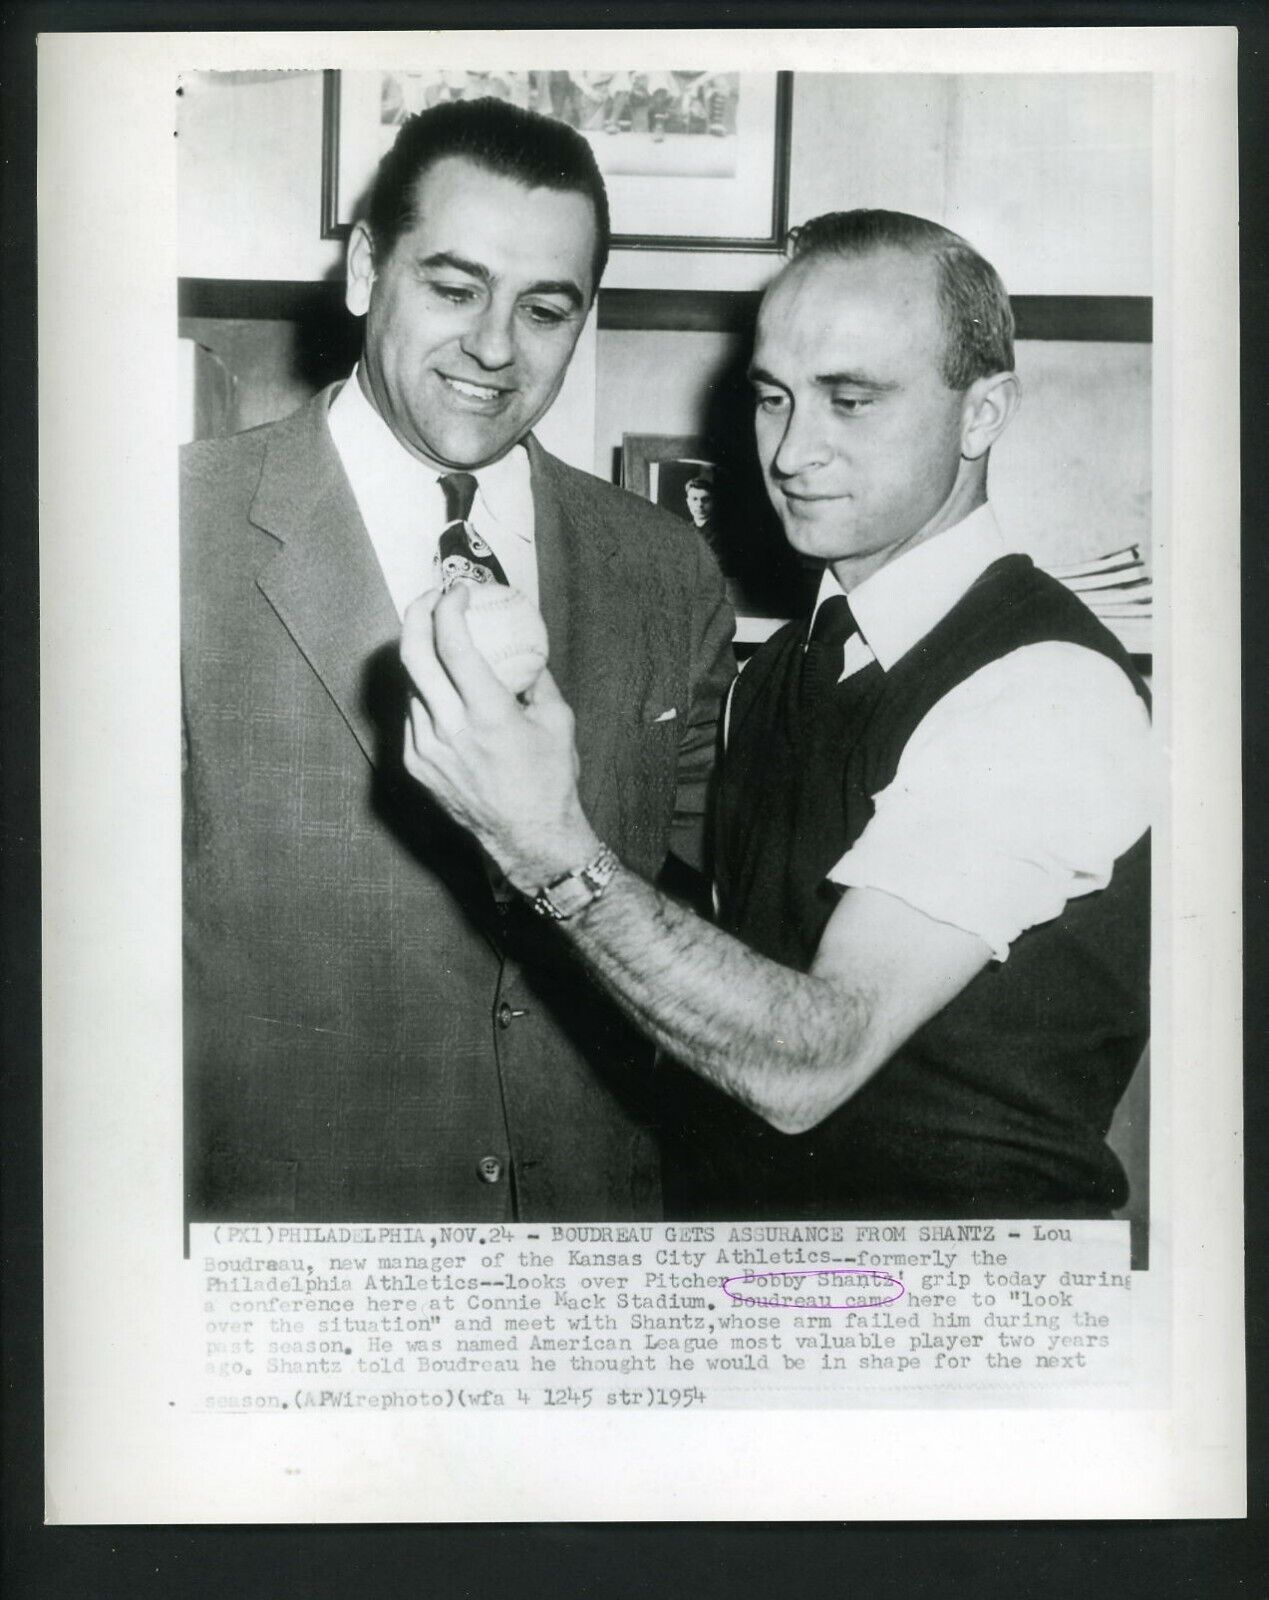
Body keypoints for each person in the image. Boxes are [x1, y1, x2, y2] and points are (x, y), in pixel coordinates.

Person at [400, 208, 1152, 1222]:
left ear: (984, 413)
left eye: (852, 400)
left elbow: (814, 1060)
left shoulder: (1047, 692)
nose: (794, 451)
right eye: (773, 399)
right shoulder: (783, 667)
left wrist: (542, 841)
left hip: (958, 1319)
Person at [181, 98, 734, 1223]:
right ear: (364, 269)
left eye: (546, 307)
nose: (494, 346)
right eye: (454, 286)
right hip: (288, 1265)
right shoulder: (162, 529)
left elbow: (691, 913)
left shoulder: (670, 572)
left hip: (590, 1266)